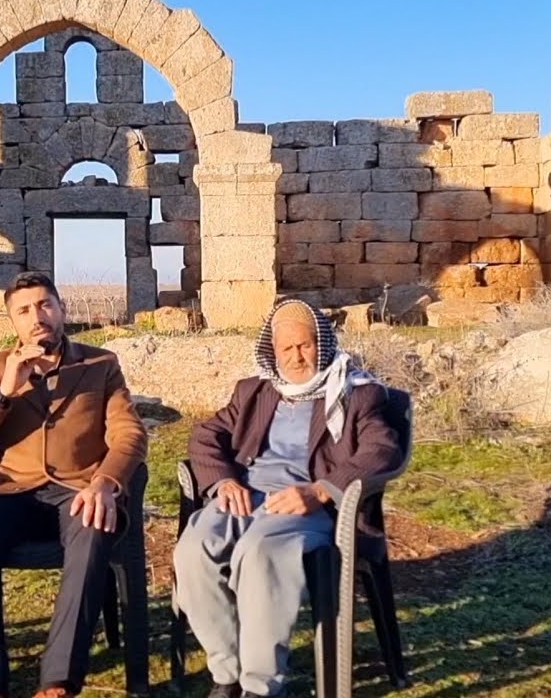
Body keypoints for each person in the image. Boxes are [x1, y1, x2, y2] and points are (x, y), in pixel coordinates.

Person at [172, 299, 402, 698]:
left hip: (308, 504)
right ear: (272, 353)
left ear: (323, 343)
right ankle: (227, 673)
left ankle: (261, 686)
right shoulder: (255, 392)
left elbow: (381, 450)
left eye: (306, 345)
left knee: (259, 553)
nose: (297, 357)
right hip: (244, 494)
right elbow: (206, 435)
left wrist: (319, 491)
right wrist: (223, 481)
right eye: (286, 349)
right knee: (193, 549)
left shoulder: (356, 394)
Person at [0, 272, 148, 698]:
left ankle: (57, 682)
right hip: (8, 491)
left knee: (94, 524)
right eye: (24, 310)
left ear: (61, 309)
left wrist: (106, 483)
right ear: (12, 322)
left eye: (45, 305)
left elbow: (129, 434)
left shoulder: (100, 364)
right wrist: (1, 395)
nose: (37, 317)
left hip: (77, 490)